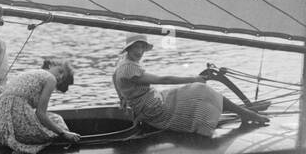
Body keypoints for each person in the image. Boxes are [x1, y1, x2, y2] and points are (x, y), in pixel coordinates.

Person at [113, 38, 268, 134]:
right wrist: (194, 79)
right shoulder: (130, 68)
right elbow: (164, 79)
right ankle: (247, 113)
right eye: (136, 48)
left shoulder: (123, 63)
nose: (140, 52)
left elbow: (114, 77)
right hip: (154, 109)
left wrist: (123, 97)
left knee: (194, 94)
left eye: (142, 47)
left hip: (150, 103)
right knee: (201, 90)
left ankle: (244, 110)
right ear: (128, 49)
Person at [0, 60, 81, 154]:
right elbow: (40, 114)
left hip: (2, 130)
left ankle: (18, 146)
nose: (60, 77)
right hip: (17, 125)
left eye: (63, 78)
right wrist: (64, 133)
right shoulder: (50, 78)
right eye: (60, 71)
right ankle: (27, 148)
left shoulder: (28, 74)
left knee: (52, 120)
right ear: (51, 65)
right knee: (58, 120)